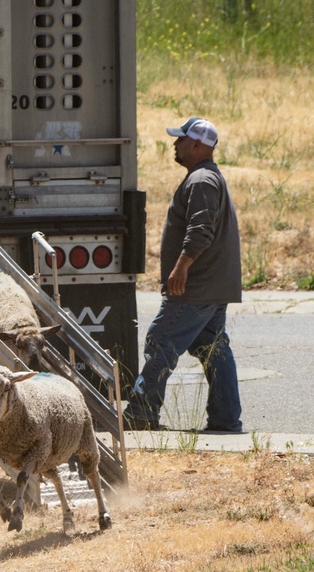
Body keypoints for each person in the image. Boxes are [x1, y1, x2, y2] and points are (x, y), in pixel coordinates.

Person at [122, 117, 243, 433]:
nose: (174, 144)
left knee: (160, 340)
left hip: (196, 287)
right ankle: (226, 420)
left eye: (180, 139)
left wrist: (180, 268)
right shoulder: (207, 177)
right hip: (212, 287)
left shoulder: (202, 180)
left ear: (198, 145)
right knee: (214, 350)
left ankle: (141, 415)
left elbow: (201, 230)